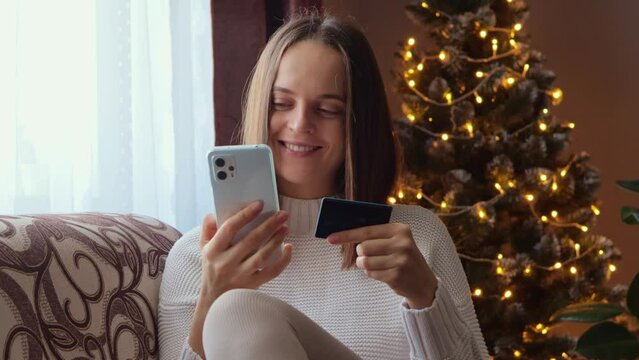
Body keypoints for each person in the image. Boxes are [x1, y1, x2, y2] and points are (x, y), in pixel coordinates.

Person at [158, 11, 489, 360]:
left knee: (235, 309)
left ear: (357, 124)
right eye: (281, 103)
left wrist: (425, 296)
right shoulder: (197, 258)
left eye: (328, 109)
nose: (300, 124)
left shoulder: (416, 237)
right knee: (233, 310)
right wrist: (210, 299)